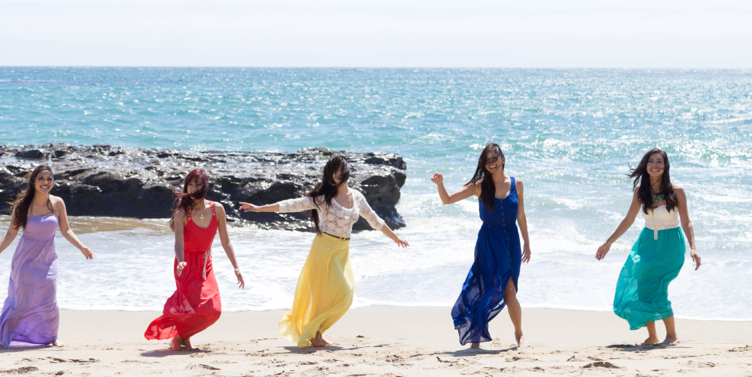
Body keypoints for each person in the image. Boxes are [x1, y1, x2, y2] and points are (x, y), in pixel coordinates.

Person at [240, 154, 408, 347]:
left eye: (338, 171)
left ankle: (316, 331)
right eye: (332, 172)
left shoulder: (357, 197)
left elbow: (375, 221)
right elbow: (292, 204)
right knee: (334, 294)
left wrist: (395, 238)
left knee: (343, 295)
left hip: (342, 250)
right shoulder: (323, 198)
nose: (336, 175)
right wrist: (260, 208)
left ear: (345, 172)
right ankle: (314, 332)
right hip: (324, 248)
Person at [595, 148, 701, 346]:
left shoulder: (676, 191)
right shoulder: (640, 191)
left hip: (670, 244)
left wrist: (693, 247)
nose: (655, 165)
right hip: (646, 244)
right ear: (645, 165)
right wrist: (608, 243)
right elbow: (628, 220)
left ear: (665, 166)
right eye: (651, 161)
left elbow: (687, 221)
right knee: (643, 287)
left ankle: (672, 335)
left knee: (658, 287)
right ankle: (652, 336)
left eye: (659, 162)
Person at [0, 164, 93, 348]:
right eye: (41, 178)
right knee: (22, 300)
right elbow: (11, 233)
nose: (45, 182)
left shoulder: (57, 203)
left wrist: (82, 247)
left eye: (49, 179)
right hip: (25, 259)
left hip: (49, 258)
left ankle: (51, 337)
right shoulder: (23, 205)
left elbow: (66, 230)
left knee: (48, 298)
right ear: (33, 181)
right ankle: (5, 337)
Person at [433, 142, 532, 348]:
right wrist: (440, 184)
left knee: (510, 291)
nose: (491, 164)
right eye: (487, 161)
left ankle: (519, 334)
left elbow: (521, 216)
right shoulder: (479, 186)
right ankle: (475, 337)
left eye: (494, 158)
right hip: (489, 244)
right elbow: (448, 200)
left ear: (502, 159)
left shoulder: (517, 184)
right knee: (485, 288)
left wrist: (527, 243)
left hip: (511, 243)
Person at [145, 168, 244, 350]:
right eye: (189, 184)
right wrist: (181, 260)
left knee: (213, 309)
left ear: (205, 186)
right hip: (185, 264)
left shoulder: (218, 209)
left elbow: (226, 240)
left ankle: (181, 335)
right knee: (189, 306)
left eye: (197, 184)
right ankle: (181, 336)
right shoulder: (182, 213)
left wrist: (236, 267)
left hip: (206, 263)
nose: (192, 188)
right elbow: (178, 244)